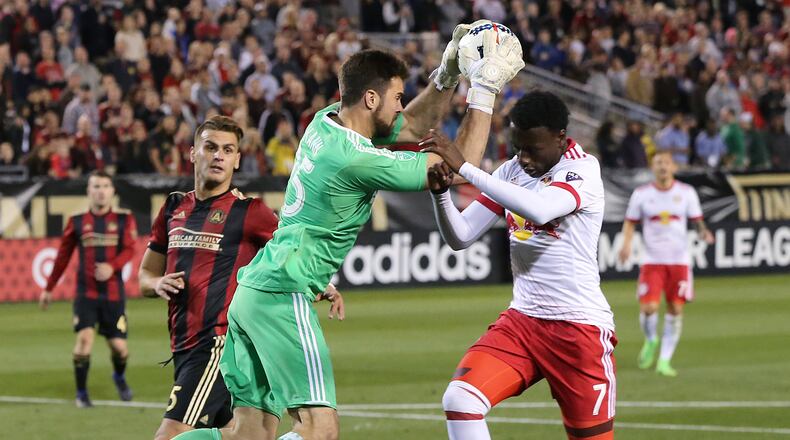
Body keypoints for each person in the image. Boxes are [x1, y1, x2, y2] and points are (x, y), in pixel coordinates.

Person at [174, 22, 524, 440]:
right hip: (283, 293)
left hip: (252, 294)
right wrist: (482, 91)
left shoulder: (326, 122)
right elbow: (454, 165)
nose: (400, 107)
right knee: (320, 432)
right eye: (396, 97)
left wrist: (446, 74)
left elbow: (409, 127)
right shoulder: (354, 159)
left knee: (247, 435)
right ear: (370, 98)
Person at [422, 91, 616, 440]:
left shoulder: (582, 169)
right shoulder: (510, 171)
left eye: (533, 148)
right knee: (460, 399)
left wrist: (464, 166)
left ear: (560, 138)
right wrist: (442, 197)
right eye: (517, 147)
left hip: (578, 331)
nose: (524, 158)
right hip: (523, 322)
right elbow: (461, 236)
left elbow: (540, 209)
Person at [138, 116, 344, 440]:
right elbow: (145, 274)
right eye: (210, 147)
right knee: (244, 435)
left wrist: (321, 285)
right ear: (192, 153)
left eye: (227, 149)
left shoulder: (249, 211)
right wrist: (156, 283)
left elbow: (289, 254)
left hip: (217, 343)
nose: (218, 155)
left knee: (170, 434)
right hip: (184, 345)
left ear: (237, 159)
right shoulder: (174, 207)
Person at [39, 170, 138, 408]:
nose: (101, 191)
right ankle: (81, 393)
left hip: (114, 294)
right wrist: (49, 287)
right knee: (84, 340)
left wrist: (111, 266)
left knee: (119, 348)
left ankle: (119, 377)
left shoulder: (125, 219)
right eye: (96, 186)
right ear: (88, 191)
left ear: (112, 191)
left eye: (105, 186)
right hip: (86, 293)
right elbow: (62, 256)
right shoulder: (76, 221)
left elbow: (130, 249)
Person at [618, 151, 714, 377]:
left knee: (675, 308)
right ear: (652, 167)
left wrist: (703, 233)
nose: (663, 166)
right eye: (659, 162)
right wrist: (626, 244)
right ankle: (651, 339)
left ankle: (664, 360)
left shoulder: (686, 193)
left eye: (667, 163)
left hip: (679, 261)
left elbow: (697, 220)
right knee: (649, 308)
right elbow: (630, 223)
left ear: (674, 167)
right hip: (652, 260)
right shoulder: (642, 194)